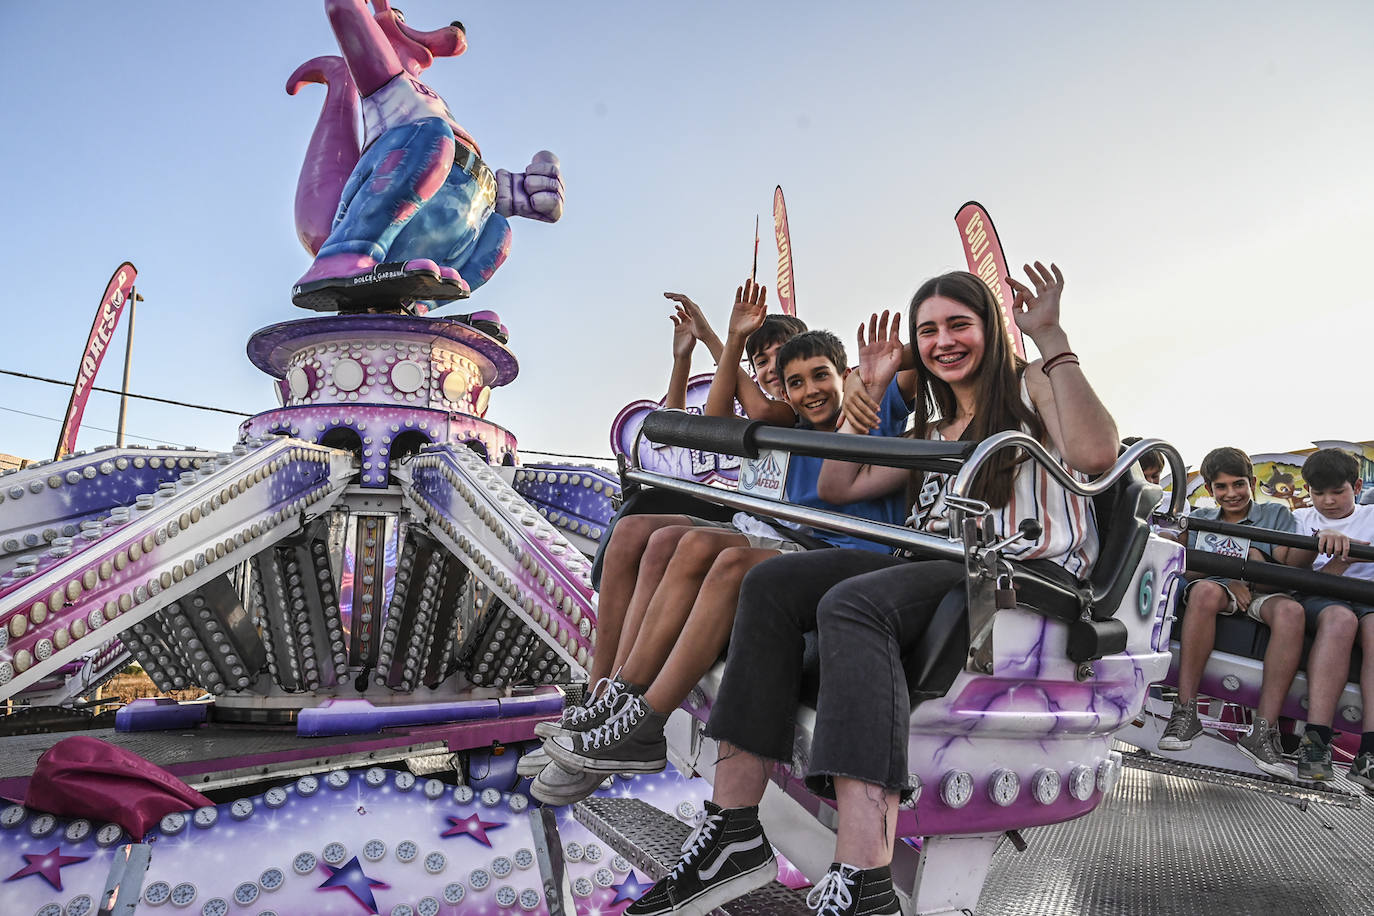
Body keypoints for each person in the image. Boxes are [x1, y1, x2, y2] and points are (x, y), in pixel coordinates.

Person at [624, 262, 1118, 916]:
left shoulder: (1028, 390)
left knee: (850, 604)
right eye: (929, 330)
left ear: (991, 332)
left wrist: (1052, 339)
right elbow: (838, 488)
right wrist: (871, 389)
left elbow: (1095, 454)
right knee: (770, 583)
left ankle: (863, 877)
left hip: (1015, 574)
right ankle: (734, 831)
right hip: (935, 566)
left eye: (959, 325)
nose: (944, 340)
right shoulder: (930, 434)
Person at [530, 325, 913, 805]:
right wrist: (715, 345)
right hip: (787, 532)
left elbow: (921, 363)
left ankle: (637, 718)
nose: (810, 389)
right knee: (655, 537)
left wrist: (865, 380)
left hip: (828, 549)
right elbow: (723, 419)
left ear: (844, 374)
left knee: (711, 555)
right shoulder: (787, 423)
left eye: (822, 376)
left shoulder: (875, 405)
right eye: (795, 381)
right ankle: (611, 700)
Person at [1157, 446, 1307, 779]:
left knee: (1292, 613)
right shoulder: (1200, 521)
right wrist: (1230, 575)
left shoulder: (1276, 515)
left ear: (1252, 482)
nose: (1231, 494)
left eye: (1238, 484)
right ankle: (1185, 711)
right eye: (1221, 487)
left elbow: (1289, 566)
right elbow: (1186, 569)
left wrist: (1251, 568)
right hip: (1217, 589)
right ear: (1210, 490)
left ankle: (1263, 730)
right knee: (1206, 592)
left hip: (1265, 591)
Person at [1289, 448, 1374, 786]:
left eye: (1337, 492)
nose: (1327, 501)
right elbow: (1294, 572)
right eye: (1318, 492)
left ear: (1356, 486)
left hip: (1368, 600)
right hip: (1321, 597)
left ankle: (1369, 752)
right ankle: (1316, 741)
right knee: (1340, 621)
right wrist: (1339, 558)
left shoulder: (1371, 516)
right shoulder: (1301, 521)